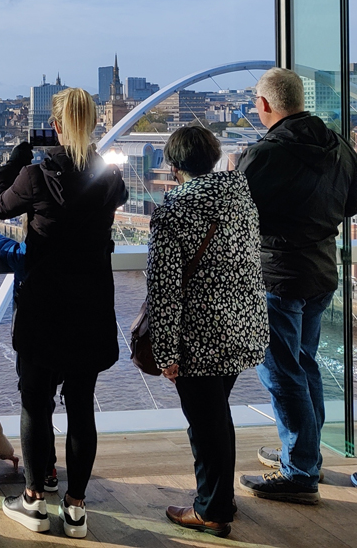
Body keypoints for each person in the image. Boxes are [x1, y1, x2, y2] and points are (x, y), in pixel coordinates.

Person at [0, 87, 127, 538]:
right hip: (90, 307)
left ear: (57, 125)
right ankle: (76, 508)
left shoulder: (36, 175)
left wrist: (20, 154)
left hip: (45, 305)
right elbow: (109, 191)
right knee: (81, 407)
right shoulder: (109, 179)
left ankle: (33, 499)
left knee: (35, 403)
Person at [236, 67, 357, 504]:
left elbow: (238, 213)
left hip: (279, 276)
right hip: (322, 272)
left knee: (281, 372)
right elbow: (352, 201)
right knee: (304, 365)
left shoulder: (265, 153)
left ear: (266, 105)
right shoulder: (339, 146)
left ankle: (301, 472)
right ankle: (304, 455)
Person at [146, 126, 269, 537]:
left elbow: (163, 288)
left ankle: (212, 510)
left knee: (207, 422)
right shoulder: (241, 199)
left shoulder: (174, 210)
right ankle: (219, 498)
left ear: (174, 165)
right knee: (215, 416)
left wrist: (165, 352)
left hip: (198, 336)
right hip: (242, 326)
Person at [0, 227, 60, 493]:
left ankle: (37, 481)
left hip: (34, 339)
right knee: (54, 402)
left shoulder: (28, 254)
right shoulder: (76, 249)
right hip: (70, 337)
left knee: (34, 405)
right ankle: (51, 472)